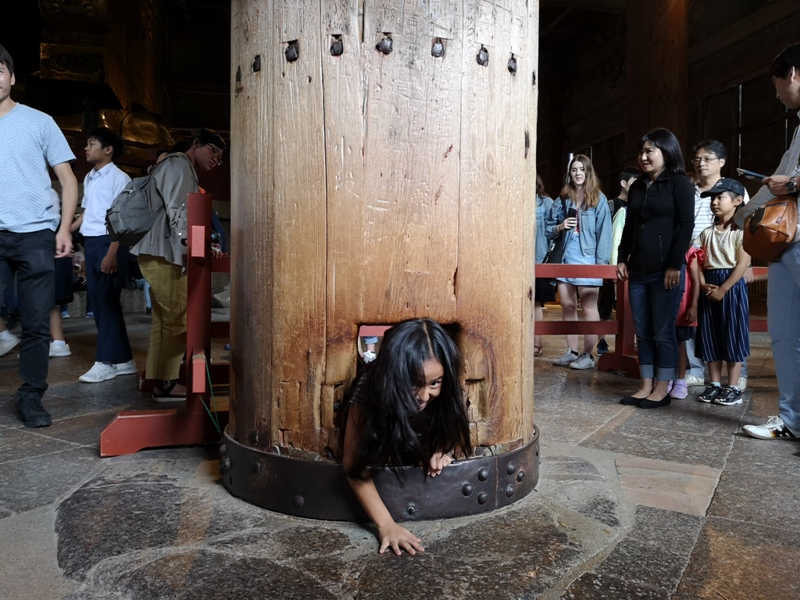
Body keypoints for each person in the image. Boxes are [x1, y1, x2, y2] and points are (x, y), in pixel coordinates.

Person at [339, 319, 472, 556]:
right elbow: (352, 464)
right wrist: (386, 525)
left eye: (434, 383)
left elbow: (451, 425)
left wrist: (441, 450)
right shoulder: (369, 388)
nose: (423, 395)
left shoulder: (445, 392)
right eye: (413, 383)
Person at [0, 45, 78, 427]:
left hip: (34, 234)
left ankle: (31, 397)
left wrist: (64, 228)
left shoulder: (40, 122)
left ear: (11, 77)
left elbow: (66, 178)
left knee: (35, 323)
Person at [130, 129, 225, 400]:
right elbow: (179, 209)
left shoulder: (178, 166)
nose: (215, 161)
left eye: (219, 159)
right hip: (162, 252)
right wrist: (197, 243)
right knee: (180, 319)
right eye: (213, 152)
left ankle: (157, 379)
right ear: (196, 145)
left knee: (164, 321)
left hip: (160, 252)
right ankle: (167, 382)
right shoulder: (178, 164)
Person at [736, 44, 800, 439]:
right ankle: (791, 420)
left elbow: (787, 180)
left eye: (778, 85)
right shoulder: (798, 131)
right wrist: (742, 213)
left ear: (792, 73)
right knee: (783, 333)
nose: (777, 95)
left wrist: (792, 183)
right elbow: (778, 177)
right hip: (783, 241)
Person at [617, 128, 695, 409]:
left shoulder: (680, 184)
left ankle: (662, 387)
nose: (644, 157)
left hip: (666, 271)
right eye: (642, 152)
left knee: (663, 331)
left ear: (667, 151)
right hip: (638, 270)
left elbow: (686, 226)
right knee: (644, 330)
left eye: (650, 151)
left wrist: (675, 264)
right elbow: (629, 225)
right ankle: (646, 384)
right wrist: (621, 257)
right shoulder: (638, 186)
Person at [71, 127, 137, 383]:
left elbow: (124, 222)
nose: (86, 148)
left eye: (91, 143)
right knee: (100, 306)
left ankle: (105, 361)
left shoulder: (120, 179)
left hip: (110, 244)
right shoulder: (90, 177)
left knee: (107, 304)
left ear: (108, 150)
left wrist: (112, 253)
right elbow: (87, 214)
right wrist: (65, 231)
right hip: (92, 244)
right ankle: (124, 360)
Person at [685, 139, 750, 388]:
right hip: (699, 261)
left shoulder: (738, 191)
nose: (701, 163)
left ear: (721, 162)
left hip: (729, 266)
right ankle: (698, 371)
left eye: (707, 158)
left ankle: (736, 380)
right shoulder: (690, 191)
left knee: (733, 329)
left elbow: (746, 234)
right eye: (697, 159)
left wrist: (727, 284)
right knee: (702, 325)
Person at [548, 154, 612, 370]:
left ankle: (588, 355)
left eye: (581, 170)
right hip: (565, 258)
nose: (577, 173)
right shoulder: (563, 198)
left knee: (589, 307)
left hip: (588, 258)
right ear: (570, 173)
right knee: (566, 305)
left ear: (588, 172)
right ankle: (571, 351)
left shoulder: (598, 199)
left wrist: (601, 265)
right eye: (574, 170)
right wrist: (560, 226)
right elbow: (548, 228)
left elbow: (605, 233)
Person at [693, 179, 750, 405]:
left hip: (731, 286)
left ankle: (733, 386)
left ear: (737, 201)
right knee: (710, 334)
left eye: (720, 197)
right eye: (712, 198)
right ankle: (714, 383)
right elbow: (697, 261)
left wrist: (724, 289)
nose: (715, 202)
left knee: (732, 335)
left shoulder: (741, 232)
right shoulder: (706, 233)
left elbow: (743, 264)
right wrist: (704, 284)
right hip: (710, 284)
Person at [597, 167, 642, 355]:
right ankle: (601, 341)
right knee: (605, 304)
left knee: (632, 305)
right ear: (623, 183)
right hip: (611, 262)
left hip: (634, 261)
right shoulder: (610, 205)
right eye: (634, 182)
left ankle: (635, 342)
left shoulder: (640, 205)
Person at [668, 245, 702, 400]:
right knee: (665, 342)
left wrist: (693, 306)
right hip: (666, 302)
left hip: (682, 304)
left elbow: (695, 280)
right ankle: (666, 377)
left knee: (680, 342)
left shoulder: (689, 251)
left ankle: (680, 380)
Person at [534, 174, 555, 357]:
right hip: (520, 261)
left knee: (536, 303)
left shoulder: (546, 203)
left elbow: (553, 231)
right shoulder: (515, 201)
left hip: (541, 260)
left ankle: (537, 343)